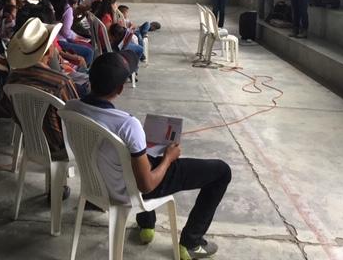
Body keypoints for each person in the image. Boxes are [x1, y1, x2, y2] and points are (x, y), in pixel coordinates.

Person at [65, 52, 231, 259]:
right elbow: (147, 185)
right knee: (222, 172)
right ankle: (191, 243)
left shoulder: (70, 108)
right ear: (119, 89)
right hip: (127, 190)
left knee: (138, 158)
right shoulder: (127, 124)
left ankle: (146, 226)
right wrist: (168, 157)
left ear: (90, 79)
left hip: (97, 184)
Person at [7, 17, 79, 164]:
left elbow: (8, 111)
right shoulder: (61, 82)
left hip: (31, 140)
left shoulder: (12, 78)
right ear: (49, 51)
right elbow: (76, 118)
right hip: (59, 145)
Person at [47, 0, 94, 65]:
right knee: (89, 51)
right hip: (60, 41)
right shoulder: (67, 9)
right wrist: (76, 37)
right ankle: (84, 72)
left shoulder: (48, 7)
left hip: (52, 40)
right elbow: (66, 32)